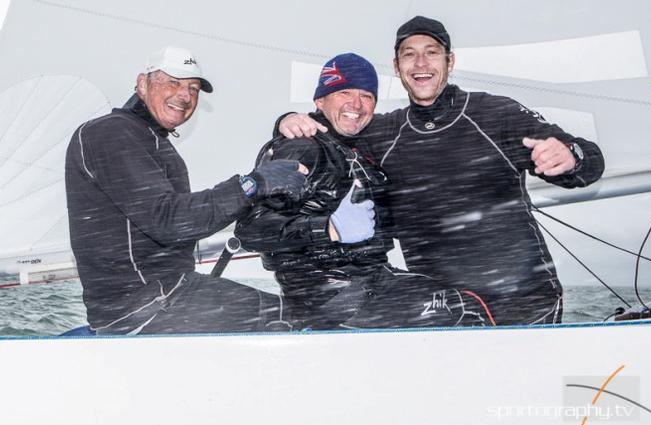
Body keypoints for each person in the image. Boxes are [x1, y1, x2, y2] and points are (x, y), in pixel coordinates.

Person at [277, 17, 605, 325]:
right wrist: (287, 121)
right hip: (442, 309)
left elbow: (586, 163)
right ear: (397, 67)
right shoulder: (384, 132)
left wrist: (572, 157)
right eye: (410, 55)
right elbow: (335, 120)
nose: (421, 64)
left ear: (450, 61)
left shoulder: (494, 114)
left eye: (431, 53)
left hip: (525, 302)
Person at [235, 53, 491, 330]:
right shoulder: (303, 146)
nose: (356, 104)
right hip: (332, 297)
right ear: (320, 100)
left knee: (465, 295)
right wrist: (329, 228)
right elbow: (251, 228)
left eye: (367, 96)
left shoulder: (354, 148)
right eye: (344, 92)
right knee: (465, 307)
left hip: (367, 284)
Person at [65, 46, 309, 335]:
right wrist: (253, 184)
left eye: (193, 88)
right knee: (295, 320)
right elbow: (169, 221)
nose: (185, 95)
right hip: (143, 307)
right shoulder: (112, 133)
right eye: (173, 82)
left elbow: (178, 218)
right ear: (142, 83)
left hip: (164, 295)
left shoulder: (149, 140)